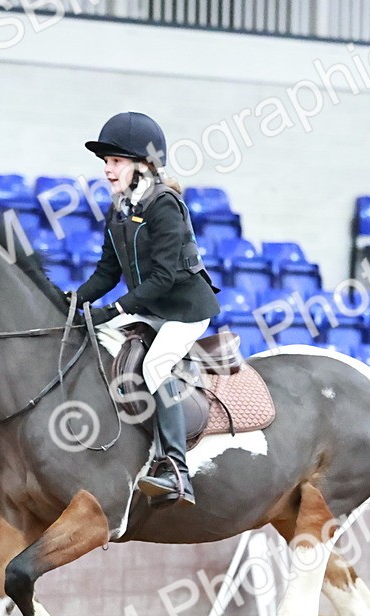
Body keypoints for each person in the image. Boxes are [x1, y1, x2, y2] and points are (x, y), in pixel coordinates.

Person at [74, 111, 221, 507]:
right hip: (150, 305)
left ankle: (176, 470)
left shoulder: (164, 205)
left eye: (116, 161)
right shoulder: (119, 208)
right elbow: (106, 271)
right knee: (96, 339)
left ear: (142, 164)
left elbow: (165, 277)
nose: (107, 170)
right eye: (106, 162)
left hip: (184, 309)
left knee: (155, 367)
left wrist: (116, 308)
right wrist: (73, 301)